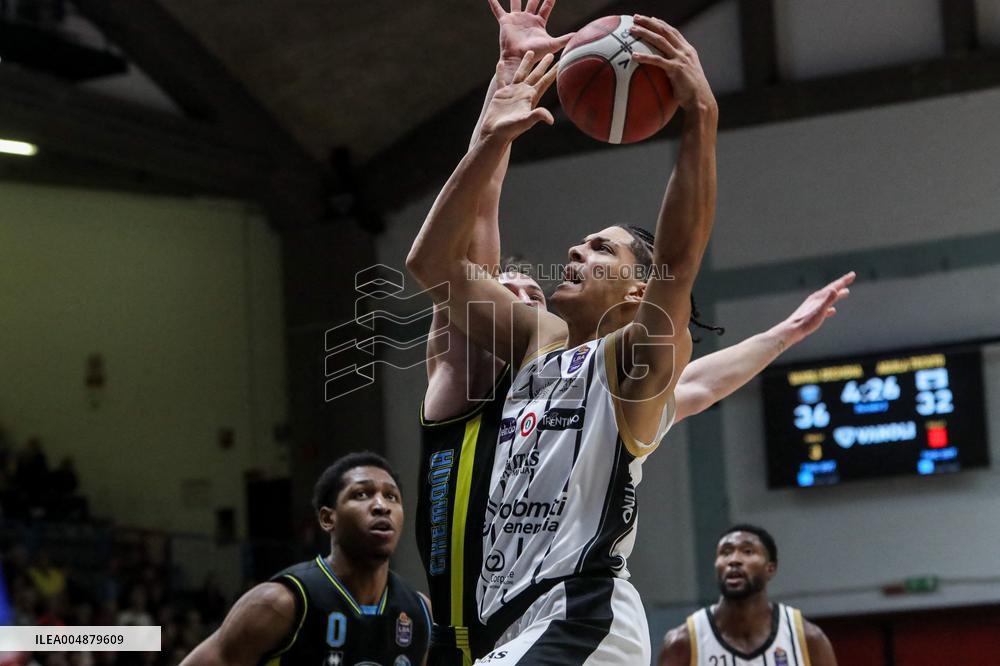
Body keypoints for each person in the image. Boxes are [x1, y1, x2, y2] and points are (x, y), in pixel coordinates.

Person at [407, 11, 720, 662]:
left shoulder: (636, 363)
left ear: (640, 290)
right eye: (581, 241)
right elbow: (434, 265)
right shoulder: (538, 343)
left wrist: (701, 120)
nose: (577, 248)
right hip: (508, 626)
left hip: (583, 619)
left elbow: (681, 263)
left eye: (602, 248)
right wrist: (495, 124)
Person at [181, 452, 430, 666]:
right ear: (327, 519)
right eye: (362, 494)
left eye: (392, 497)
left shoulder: (420, 611)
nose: (381, 505)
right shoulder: (277, 604)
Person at [659, 525, 838, 666]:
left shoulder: (807, 639)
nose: (734, 560)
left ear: (771, 568)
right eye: (725, 552)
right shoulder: (683, 643)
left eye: (747, 551)